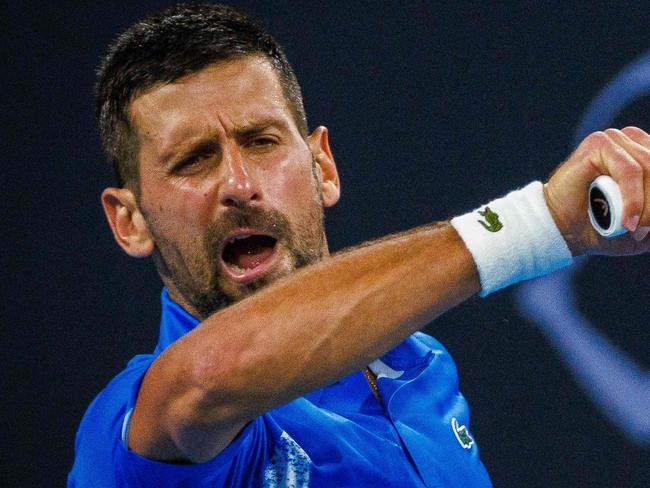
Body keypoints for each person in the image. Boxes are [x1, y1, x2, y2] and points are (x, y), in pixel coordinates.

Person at [68, 4, 650, 487]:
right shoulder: (134, 430)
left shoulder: (422, 367)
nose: (240, 186)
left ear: (322, 165)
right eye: (193, 161)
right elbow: (217, 370)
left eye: (262, 141)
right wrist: (538, 223)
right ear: (130, 221)